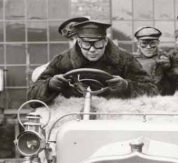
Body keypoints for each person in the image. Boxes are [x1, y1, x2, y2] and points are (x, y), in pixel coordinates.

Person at [28, 20, 158, 103]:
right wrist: (50, 85)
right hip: (73, 118)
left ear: (106, 41)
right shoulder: (62, 61)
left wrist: (126, 86)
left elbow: (152, 91)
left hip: (115, 117)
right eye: (86, 44)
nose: (92, 50)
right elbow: (32, 95)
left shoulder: (125, 60)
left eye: (98, 44)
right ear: (78, 42)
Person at [31, 16, 90, 83]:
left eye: (84, 41)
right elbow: (37, 75)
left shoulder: (99, 54)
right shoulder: (63, 59)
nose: (77, 44)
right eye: (72, 39)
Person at [134, 26, 175, 95]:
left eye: (152, 43)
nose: (148, 47)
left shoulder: (165, 59)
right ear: (138, 44)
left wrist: (168, 69)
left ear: (158, 43)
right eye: (144, 43)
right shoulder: (131, 60)